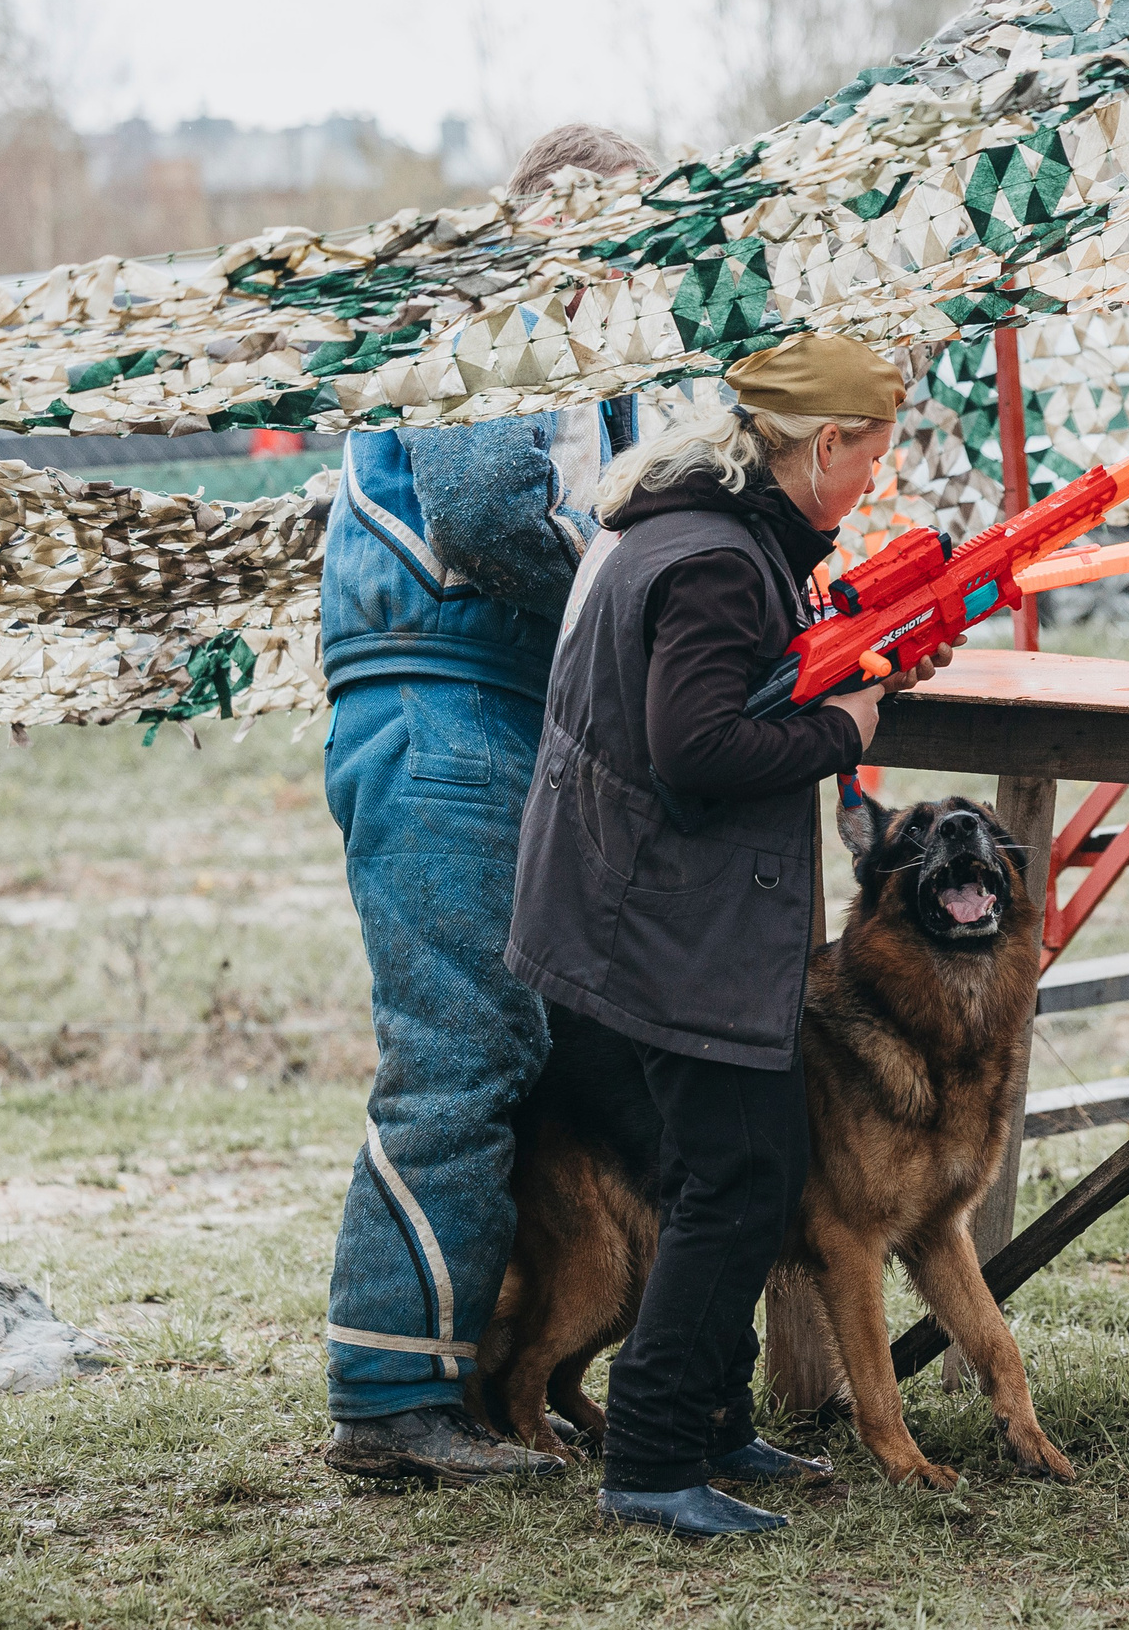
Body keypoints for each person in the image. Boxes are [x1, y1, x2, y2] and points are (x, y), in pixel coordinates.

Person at [506, 334, 950, 1538]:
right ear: (821, 447)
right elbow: (696, 752)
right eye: (873, 454)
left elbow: (737, 697)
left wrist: (859, 666)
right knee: (742, 1173)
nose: (876, 478)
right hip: (658, 919)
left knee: (735, 1167)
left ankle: (707, 1423)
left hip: (632, 906)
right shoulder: (711, 560)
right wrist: (848, 731)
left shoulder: (695, 528)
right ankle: (652, 1460)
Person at [319, 122, 660, 1486]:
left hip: (503, 710)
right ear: (567, 224)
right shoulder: (497, 319)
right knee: (456, 1051)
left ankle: (473, 1373)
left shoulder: (589, 358)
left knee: (510, 1049)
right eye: (633, 240)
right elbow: (484, 513)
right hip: (437, 700)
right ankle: (391, 1397)